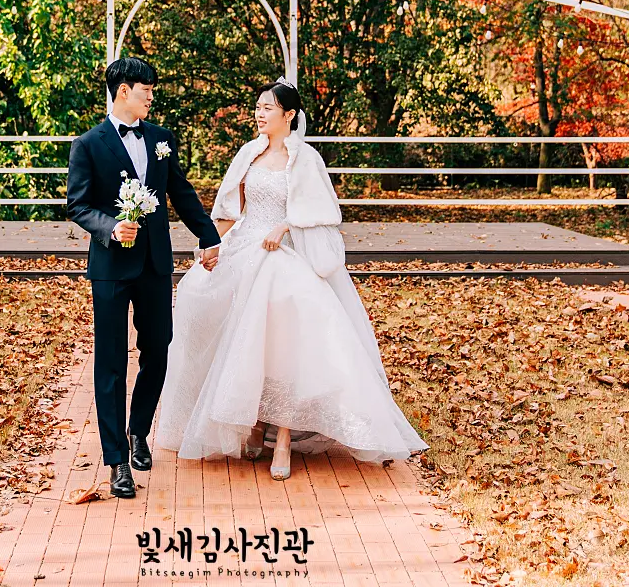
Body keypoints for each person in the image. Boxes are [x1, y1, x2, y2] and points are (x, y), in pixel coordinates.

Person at [155, 79, 427, 479]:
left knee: (286, 334)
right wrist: (209, 247)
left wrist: (284, 226)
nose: (259, 114)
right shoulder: (249, 153)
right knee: (221, 315)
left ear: (289, 115)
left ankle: (282, 437)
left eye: (268, 107)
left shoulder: (305, 159)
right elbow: (229, 209)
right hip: (245, 246)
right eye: (258, 107)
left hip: (285, 252)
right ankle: (253, 422)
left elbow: (324, 212)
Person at [66, 57, 221, 500]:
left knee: (158, 348)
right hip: (111, 269)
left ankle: (139, 431)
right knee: (111, 362)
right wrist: (111, 227)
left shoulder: (161, 139)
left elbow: (181, 191)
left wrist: (209, 235)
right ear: (123, 91)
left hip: (154, 264)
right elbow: (77, 204)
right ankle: (117, 460)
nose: (152, 96)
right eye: (145, 89)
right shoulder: (87, 145)